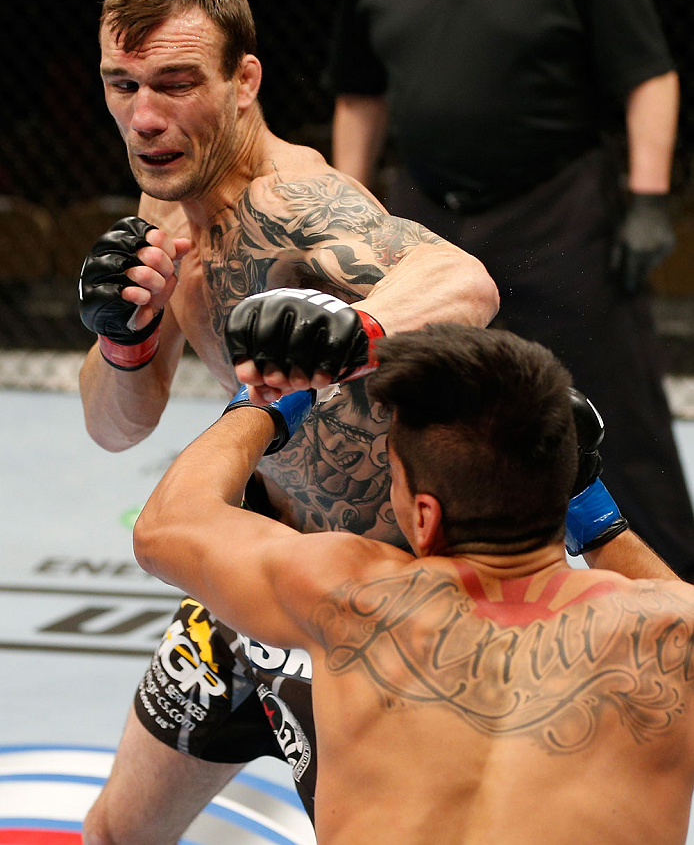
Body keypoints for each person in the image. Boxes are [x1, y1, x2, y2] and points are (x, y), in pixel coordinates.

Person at [77, 0, 499, 843]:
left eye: (176, 84)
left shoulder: (297, 204)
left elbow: (467, 281)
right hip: (258, 578)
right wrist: (121, 344)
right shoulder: (164, 213)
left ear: (244, 81)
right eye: (124, 85)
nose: (145, 117)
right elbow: (119, 428)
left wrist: (359, 326)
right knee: (116, 832)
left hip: (381, 607)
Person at [132, 321, 693, 845]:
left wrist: (264, 406)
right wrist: (594, 517)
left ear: (424, 516)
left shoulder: (349, 598)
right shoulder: (670, 632)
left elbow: (167, 525)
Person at [328, 0, 694, 577]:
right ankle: (405, 609)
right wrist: (345, 223)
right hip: (427, 225)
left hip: (558, 215)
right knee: (408, 418)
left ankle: (678, 605)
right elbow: (360, 96)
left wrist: (646, 199)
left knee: (622, 426)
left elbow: (650, 75)